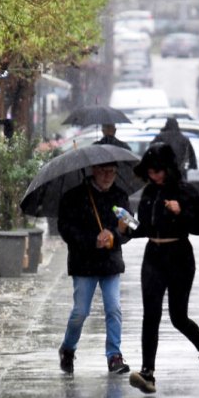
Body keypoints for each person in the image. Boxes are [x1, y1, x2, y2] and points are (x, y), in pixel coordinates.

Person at [127, 143, 199, 394]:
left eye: (158, 171)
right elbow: (144, 228)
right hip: (153, 257)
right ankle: (148, 373)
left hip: (179, 257)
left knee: (178, 317)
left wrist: (181, 212)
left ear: (168, 169)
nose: (154, 176)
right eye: (150, 172)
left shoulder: (186, 191)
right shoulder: (149, 193)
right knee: (151, 315)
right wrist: (126, 228)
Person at [56, 161, 132, 375]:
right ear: (93, 171)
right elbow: (65, 229)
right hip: (84, 263)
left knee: (113, 308)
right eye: (104, 171)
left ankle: (114, 355)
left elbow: (131, 227)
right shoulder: (74, 197)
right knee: (80, 311)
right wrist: (92, 240)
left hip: (110, 262)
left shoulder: (120, 196)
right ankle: (68, 348)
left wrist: (114, 235)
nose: (108, 176)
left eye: (112, 172)